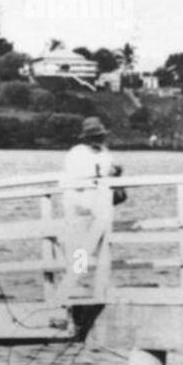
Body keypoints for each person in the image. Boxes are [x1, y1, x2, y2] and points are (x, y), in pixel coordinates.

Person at [61, 116, 123, 283]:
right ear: (87, 138)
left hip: (101, 206)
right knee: (80, 246)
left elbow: (109, 173)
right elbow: (76, 179)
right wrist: (100, 175)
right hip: (81, 206)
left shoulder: (105, 153)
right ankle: (78, 281)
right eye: (96, 136)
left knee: (101, 245)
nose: (100, 139)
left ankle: (99, 282)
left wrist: (115, 173)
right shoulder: (76, 153)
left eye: (100, 136)